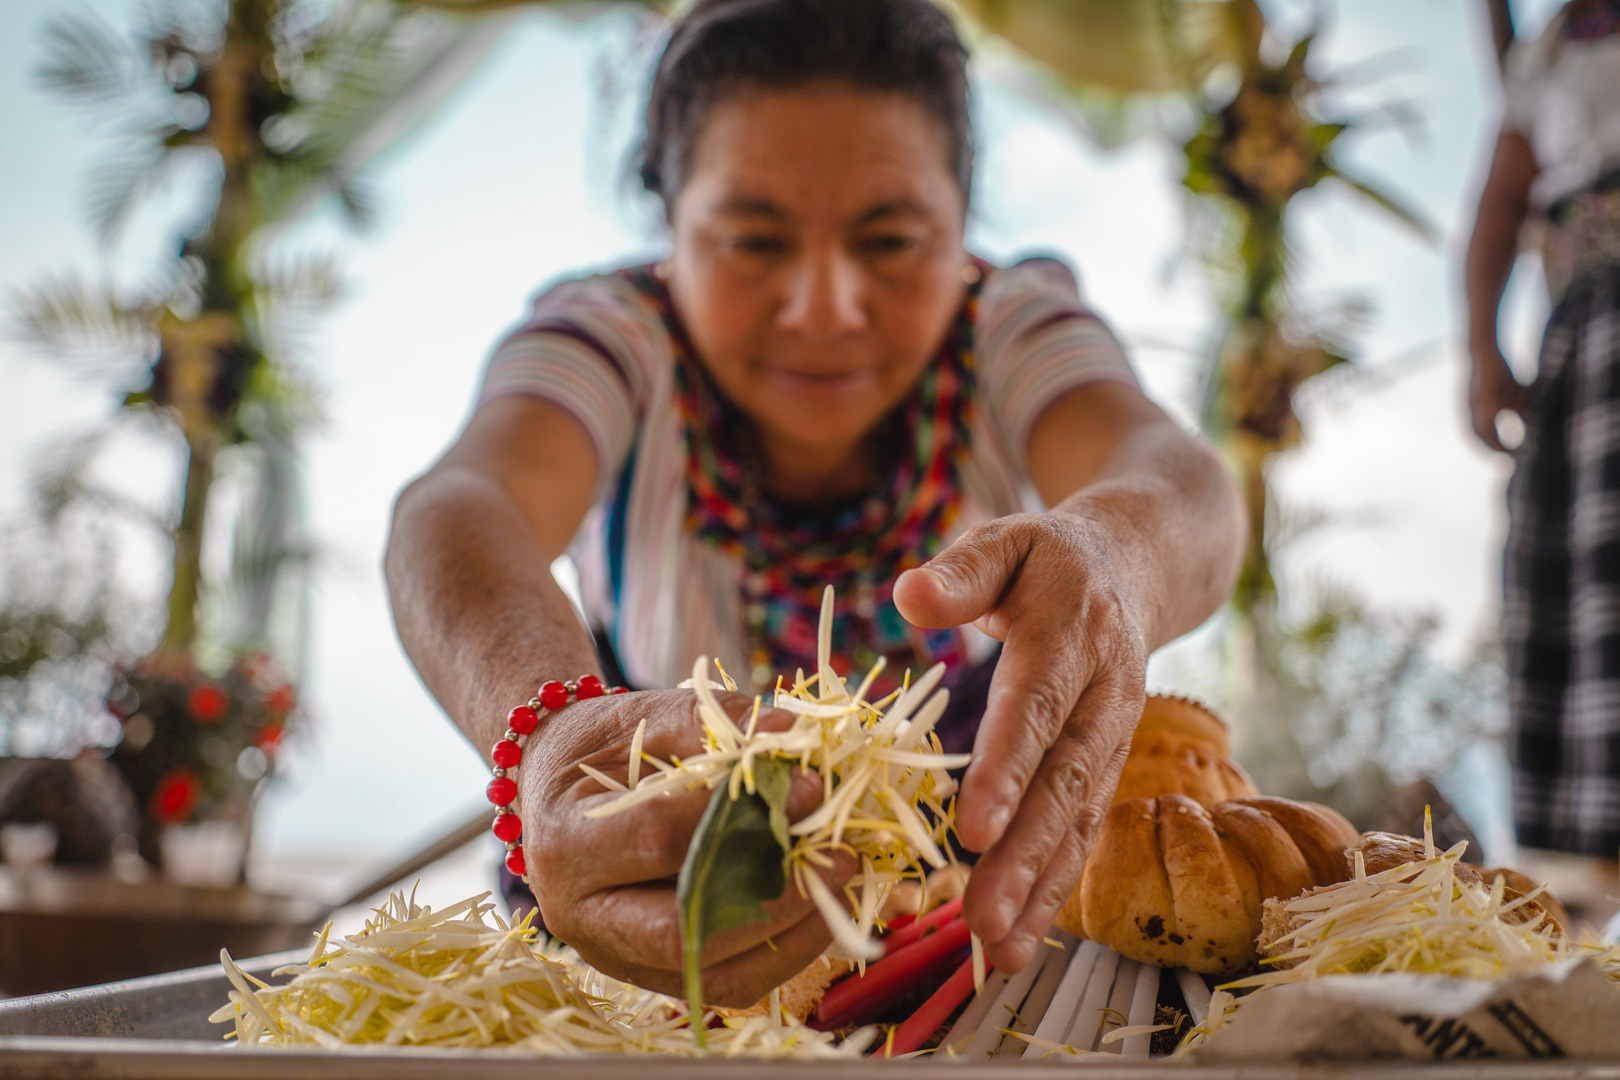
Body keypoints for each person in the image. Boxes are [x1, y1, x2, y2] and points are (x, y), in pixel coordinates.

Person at [384, 0, 1243, 1006]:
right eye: (753, 241)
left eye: (889, 243)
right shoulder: (612, 338)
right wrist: (551, 735)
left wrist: (1116, 553)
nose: (825, 308)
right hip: (647, 943)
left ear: (963, 232)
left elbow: (1182, 481)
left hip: (977, 952)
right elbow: (457, 507)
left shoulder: (1010, 323)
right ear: (672, 230)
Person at [1464, 0, 1620, 883]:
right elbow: (1500, 200)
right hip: (1591, 336)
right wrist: (1483, 349)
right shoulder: (1558, 43)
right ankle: (1586, 896)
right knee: (1579, 592)